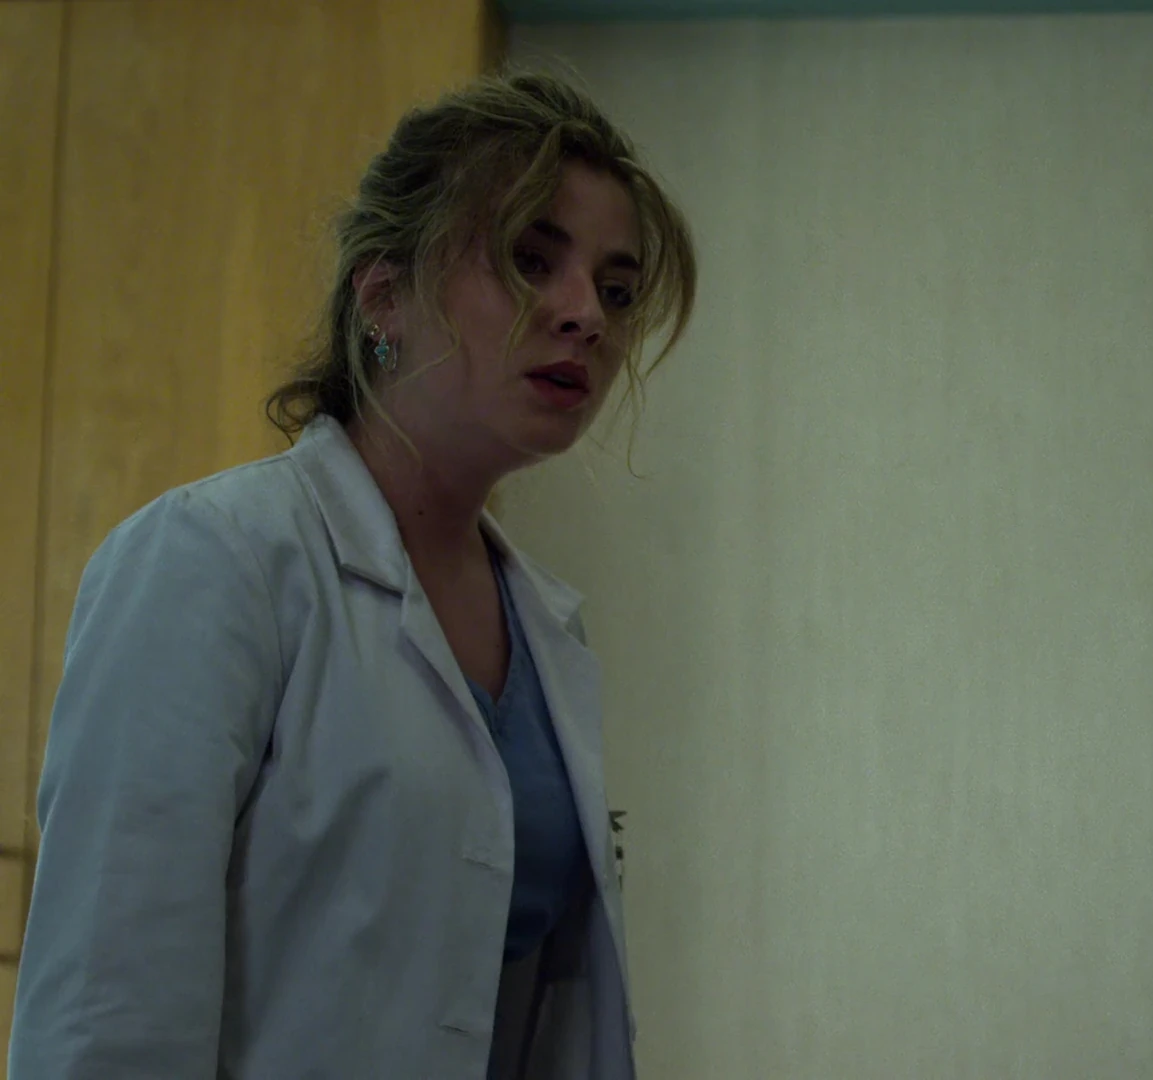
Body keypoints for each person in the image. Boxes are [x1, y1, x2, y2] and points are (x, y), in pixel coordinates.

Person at [9, 71, 696, 1079]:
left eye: (618, 289)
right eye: (529, 259)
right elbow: (103, 1023)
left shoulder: (550, 632)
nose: (587, 314)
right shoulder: (215, 561)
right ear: (383, 297)